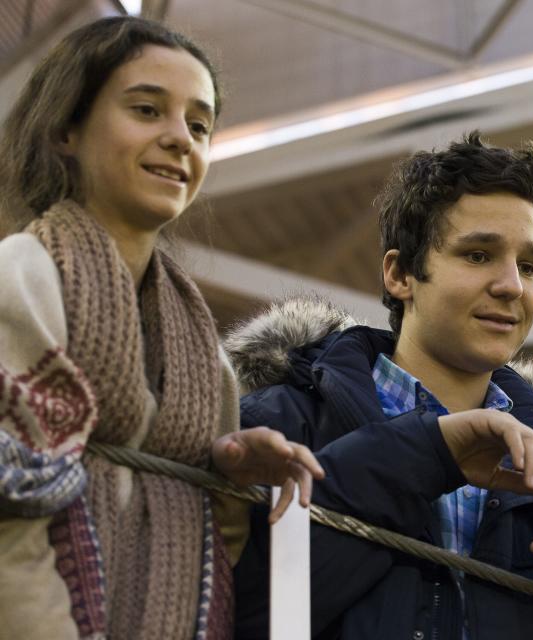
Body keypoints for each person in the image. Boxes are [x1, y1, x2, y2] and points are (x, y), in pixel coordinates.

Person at [226, 133, 533, 639]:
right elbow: (238, 614)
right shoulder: (277, 425)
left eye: (530, 266)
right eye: (477, 255)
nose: (512, 285)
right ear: (400, 274)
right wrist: (425, 453)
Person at [0, 16, 324, 639]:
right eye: (148, 110)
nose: (181, 139)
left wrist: (231, 482)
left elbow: (219, 549)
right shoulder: (24, 274)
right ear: (67, 127)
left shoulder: (206, 354)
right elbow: (10, 514)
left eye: (198, 125)